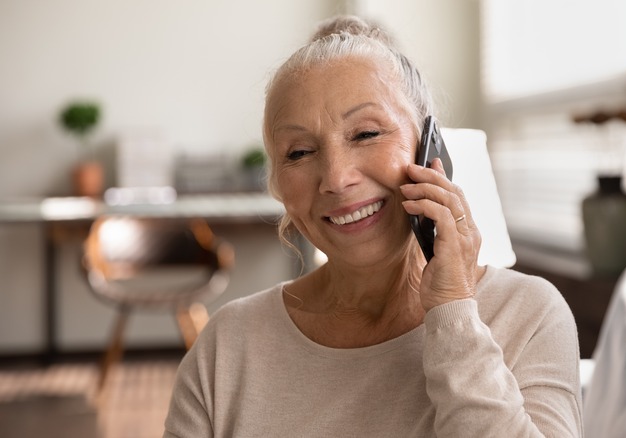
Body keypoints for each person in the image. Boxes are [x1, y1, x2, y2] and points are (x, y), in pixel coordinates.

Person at [164, 15, 583, 437]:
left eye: (365, 134)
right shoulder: (227, 346)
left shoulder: (529, 316)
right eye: (300, 152)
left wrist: (453, 311)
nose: (336, 178)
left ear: (429, 149)